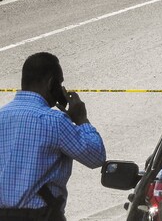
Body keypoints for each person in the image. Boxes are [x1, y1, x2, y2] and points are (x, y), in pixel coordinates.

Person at [0, 52, 106, 220]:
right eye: (60, 82)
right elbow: (96, 156)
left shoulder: (2, 116)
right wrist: (81, 119)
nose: (62, 89)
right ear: (51, 83)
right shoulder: (53, 120)